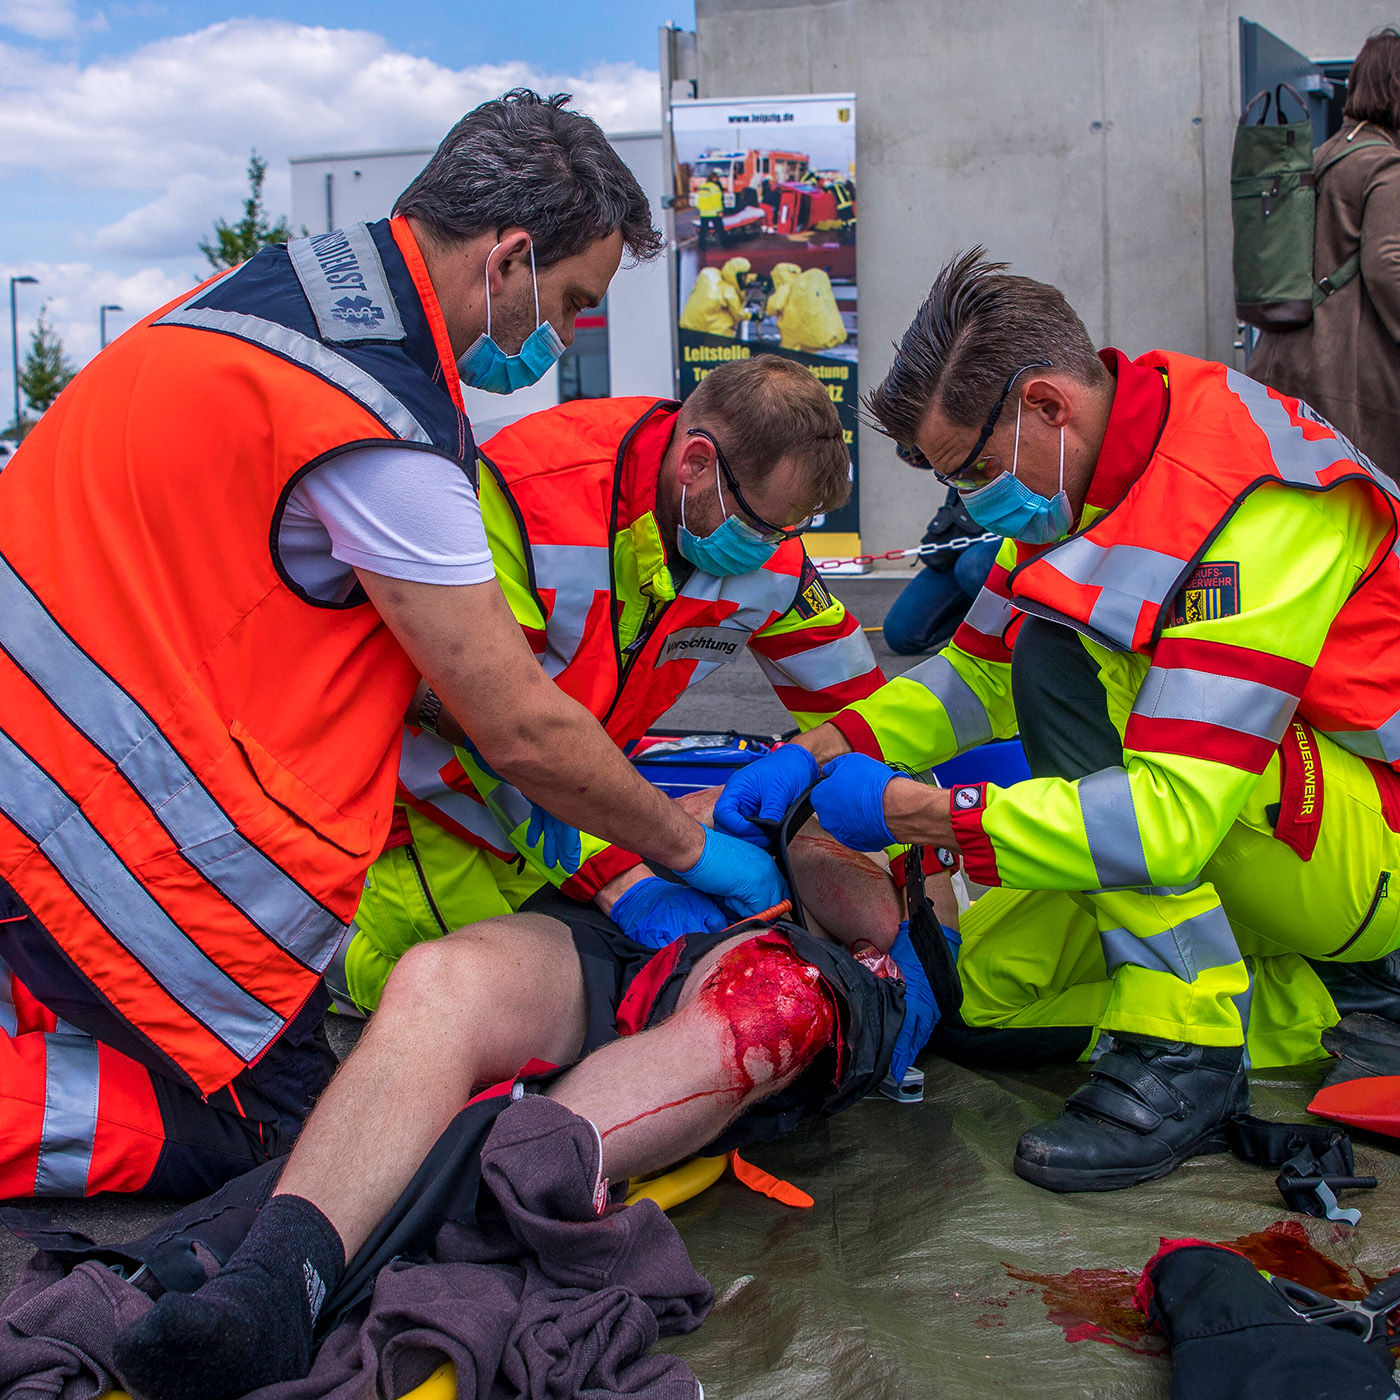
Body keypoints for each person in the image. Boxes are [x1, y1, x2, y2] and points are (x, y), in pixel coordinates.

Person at [0, 90, 788, 1202]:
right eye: (568, 301)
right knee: (287, 1151)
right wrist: (684, 846)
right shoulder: (376, 410)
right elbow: (509, 718)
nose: (560, 334)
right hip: (104, 834)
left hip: (38, 776)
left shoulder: (263, 304)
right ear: (506, 257)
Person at [715, 249, 1400, 1194]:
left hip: (1373, 843)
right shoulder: (1079, 483)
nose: (972, 504)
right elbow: (969, 678)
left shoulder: (1252, 505)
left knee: (1065, 660)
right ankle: (1331, 1002)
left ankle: (1186, 1047)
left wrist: (923, 815)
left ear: (1047, 406)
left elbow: (1169, 819)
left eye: (978, 471)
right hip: (1277, 833)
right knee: (986, 1006)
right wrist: (818, 755)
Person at [108, 790, 929, 1400]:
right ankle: (276, 1284)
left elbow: (870, 915)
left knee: (763, 1010)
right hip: (624, 926)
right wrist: (684, 833)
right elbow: (578, 792)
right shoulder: (687, 739)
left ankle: (445, 1207)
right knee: (442, 979)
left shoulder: (891, 813)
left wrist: (821, 802)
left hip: (787, 965)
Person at [341, 353, 886, 1012]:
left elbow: (860, 704)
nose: (774, 547)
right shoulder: (526, 496)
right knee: (454, 1007)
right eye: (761, 525)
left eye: (790, 528)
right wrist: (622, 875)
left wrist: (906, 855)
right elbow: (489, 718)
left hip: (583, 798)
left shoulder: (765, 545)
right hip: (445, 808)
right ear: (696, 465)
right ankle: (334, 980)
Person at [1249, 28, 1400, 471]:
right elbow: (1388, 264)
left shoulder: (1322, 155)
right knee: (1367, 507)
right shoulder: (1386, 165)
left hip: (1285, 361)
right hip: (1348, 378)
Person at [881, 477, 1000, 655]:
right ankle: (978, 610)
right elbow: (910, 456)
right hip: (964, 530)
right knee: (900, 635)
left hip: (1011, 534)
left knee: (972, 567)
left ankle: (1019, 635)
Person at [695, 175, 727, 253]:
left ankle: (701, 245)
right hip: (714, 212)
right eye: (717, 178)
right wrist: (719, 211)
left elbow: (698, 199)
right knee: (720, 229)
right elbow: (717, 201)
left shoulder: (702, 187)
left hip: (704, 212)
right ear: (714, 179)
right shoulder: (715, 187)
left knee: (703, 230)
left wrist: (700, 208)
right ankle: (726, 245)